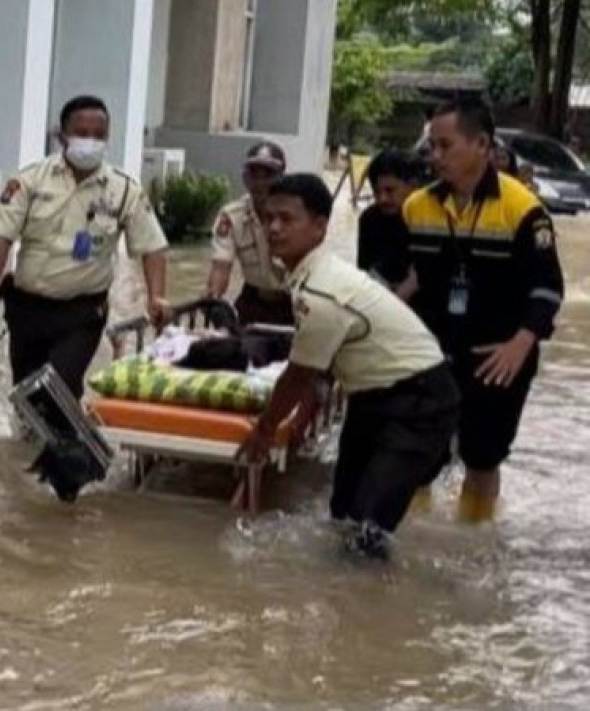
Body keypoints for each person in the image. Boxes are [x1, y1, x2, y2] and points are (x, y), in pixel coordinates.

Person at [237, 174, 460, 560]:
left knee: (367, 531)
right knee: (342, 514)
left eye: (286, 220)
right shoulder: (312, 275)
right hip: (372, 395)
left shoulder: (322, 289)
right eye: (268, 218)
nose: (273, 228)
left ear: (320, 226)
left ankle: (372, 610)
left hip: (418, 402)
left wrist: (264, 431)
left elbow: (299, 375)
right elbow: (317, 370)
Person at [377, 98, 565, 523]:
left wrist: (521, 344)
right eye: (432, 147)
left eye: (445, 146)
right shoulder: (416, 206)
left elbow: (548, 289)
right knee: (418, 453)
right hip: (431, 354)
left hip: (496, 357)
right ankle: (415, 536)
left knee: (482, 459)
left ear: (481, 144)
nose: (435, 156)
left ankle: (474, 540)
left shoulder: (524, 210)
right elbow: (404, 278)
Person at [0, 95, 169, 400]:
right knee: (26, 398)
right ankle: (36, 444)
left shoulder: (123, 191)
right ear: (62, 136)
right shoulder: (30, 181)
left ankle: (67, 445)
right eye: (82, 133)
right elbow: (1, 239)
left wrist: (157, 297)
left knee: (59, 391)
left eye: (99, 135)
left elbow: (152, 248)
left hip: (81, 314)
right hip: (27, 309)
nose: (90, 141)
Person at [205, 141, 294, 325]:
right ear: (245, 178)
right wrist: (213, 298)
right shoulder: (232, 216)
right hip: (253, 300)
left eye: (268, 175)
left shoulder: (295, 216)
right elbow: (221, 267)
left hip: (292, 303)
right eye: (254, 174)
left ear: (282, 178)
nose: (260, 183)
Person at [357, 150, 423, 279]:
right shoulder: (368, 219)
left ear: (412, 186)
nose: (383, 199)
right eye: (376, 192)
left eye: (390, 190)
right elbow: (364, 272)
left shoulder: (427, 220)